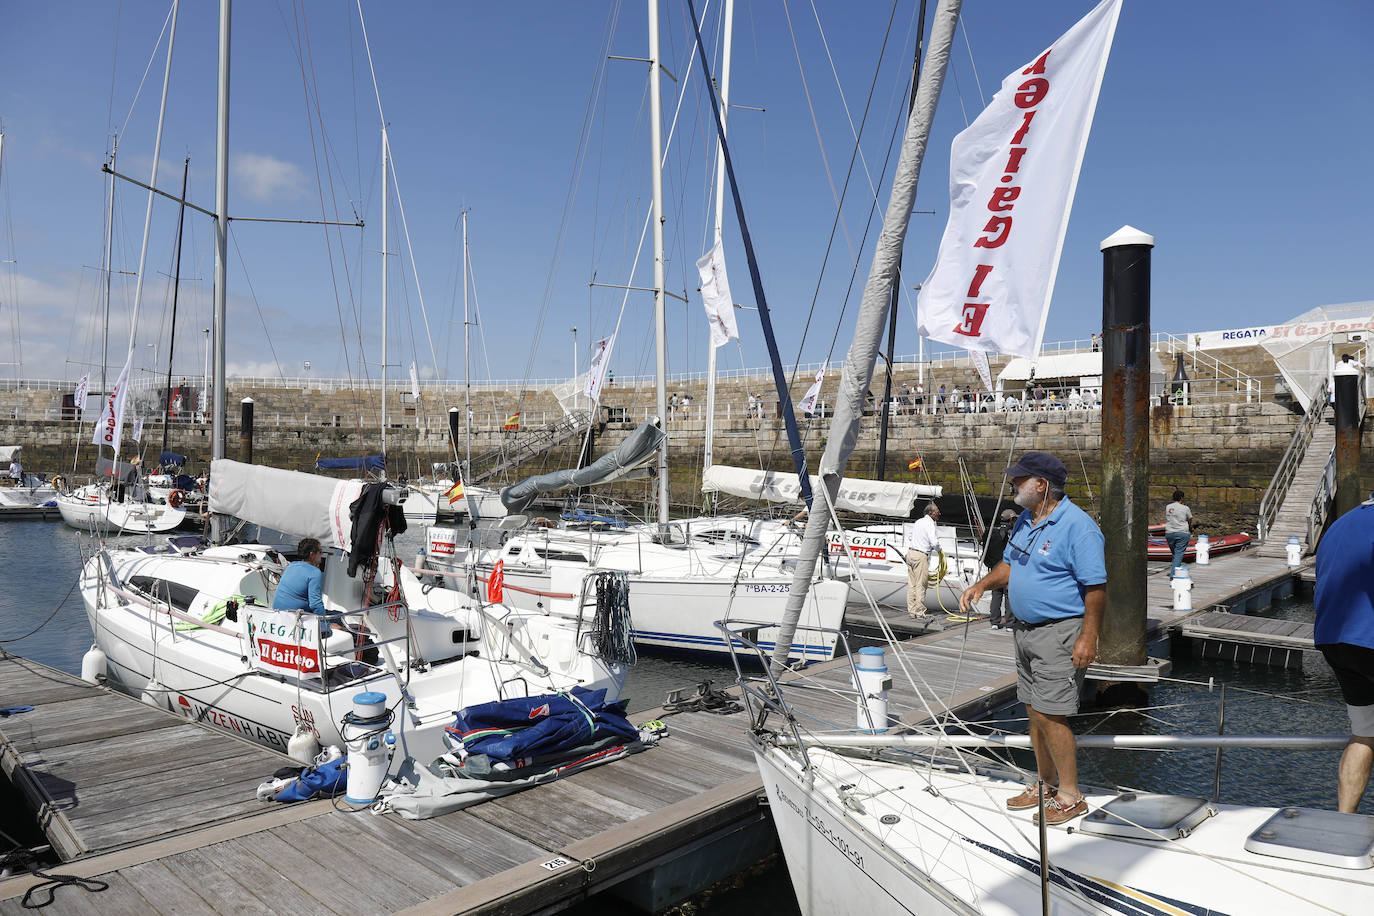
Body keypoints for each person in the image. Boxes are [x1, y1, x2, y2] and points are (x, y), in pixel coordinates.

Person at [959, 451, 1105, 825]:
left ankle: (1071, 795)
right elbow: (1010, 565)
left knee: (1051, 713)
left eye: (1019, 480)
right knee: (1032, 708)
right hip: (1023, 630)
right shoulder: (1026, 519)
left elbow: (1096, 588)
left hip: (1059, 632)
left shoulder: (1078, 526)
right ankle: (1045, 782)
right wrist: (982, 584)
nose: (1012, 484)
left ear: (1041, 485)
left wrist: (1089, 637)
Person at [1314, 497, 1374, 813]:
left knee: (1364, 735)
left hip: (1334, 642)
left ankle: (1343, 822)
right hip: (1369, 637)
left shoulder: (1341, 524)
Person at [272, 537, 345, 639]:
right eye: (320, 552)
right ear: (312, 554)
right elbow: (315, 604)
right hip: (295, 616)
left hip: (280, 613)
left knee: (336, 614)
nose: (322, 554)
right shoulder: (314, 572)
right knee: (339, 617)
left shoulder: (291, 566)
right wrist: (327, 624)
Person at [902, 503, 942, 621]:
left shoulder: (919, 522)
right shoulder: (930, 524)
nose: (939, 514)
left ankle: (912, 611)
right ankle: (920, 612)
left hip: (910, 553)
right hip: (920, 556)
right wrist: (940, 551)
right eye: (937, 512)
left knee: (912, 584)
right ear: (931, 514)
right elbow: (934, 542)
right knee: (921, 584)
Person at [984, 509, 1017, 628]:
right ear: (1011, 519)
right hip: (1007, 567)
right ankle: (1010, 623)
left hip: (994, 567)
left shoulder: (990, 532)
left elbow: (986, 551)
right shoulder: (1013, 533)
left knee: (996, 594)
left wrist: (990, 565)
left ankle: (994, 621)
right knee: (1009, 595)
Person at [1164, 490, 1193, 576]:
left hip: (1169, 533)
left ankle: (1176, 570)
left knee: (1176, 554)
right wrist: (1189, 526)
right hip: (1182, 532)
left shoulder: (1168, 507)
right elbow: (1190, 518)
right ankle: (1174, 574)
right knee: (1179, 554)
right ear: (1181, 498)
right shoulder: (1185, 508)